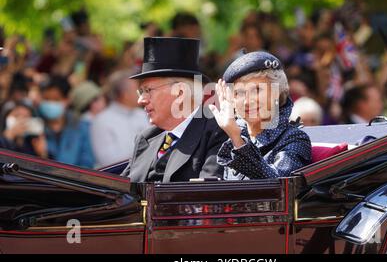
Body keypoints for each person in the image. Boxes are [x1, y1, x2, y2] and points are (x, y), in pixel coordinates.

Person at [121, 37, 228, 182]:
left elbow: (205, 195)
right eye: (141, 92)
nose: (141, 100)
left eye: (148, 90)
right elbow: (120, 192)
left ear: (180, 93)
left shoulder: (216, 133)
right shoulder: (146, 138)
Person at [209, 51, 312, 180]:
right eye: (239, 93)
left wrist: (238, 141)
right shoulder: (234, 136)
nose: (247, 101)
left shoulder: (294, 138)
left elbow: (278, 185)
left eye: (257, 90)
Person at [90, 70, 148, 167]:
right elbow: (109, 162)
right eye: (137, 90)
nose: (141, 94)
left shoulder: (142, 114)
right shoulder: (102, 121)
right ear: (124, 94)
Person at [38, 75, 95, 167]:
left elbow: (87, 162)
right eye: (46, 99)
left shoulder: (81, 127)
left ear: (67, 100)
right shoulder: (35, 125)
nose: (50, 103)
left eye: (56, 99)